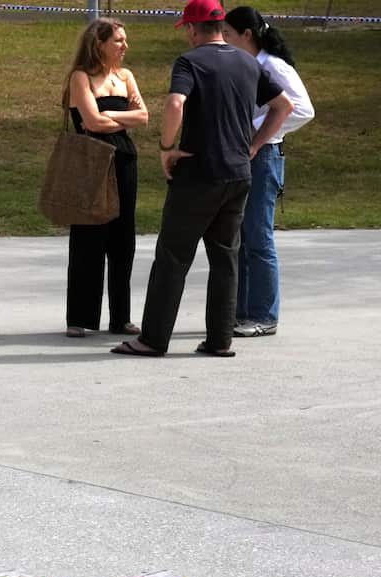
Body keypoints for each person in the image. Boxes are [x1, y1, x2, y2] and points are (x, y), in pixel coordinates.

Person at [111, 0, 292, 358]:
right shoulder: (247, 62)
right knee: (226, 257)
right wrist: (254, 146)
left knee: (173, 256)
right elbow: (283, 105)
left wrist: (166, 147)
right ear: (222, 28)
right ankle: (220, 340)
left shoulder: (190, 61)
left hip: (199, 173)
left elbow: (176, 103)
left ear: (193, 29)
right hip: (238, 174)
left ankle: (153, 339)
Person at [224, 6, 315, 338]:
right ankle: (242, 311)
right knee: (243, 237)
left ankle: (264, 314)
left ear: (247, 35)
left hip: (264, 157)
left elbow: (303, 109)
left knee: (259, 238)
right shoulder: (246, 64)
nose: (224, 40)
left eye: (229, 34)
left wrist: (255, 131)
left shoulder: (273, 66)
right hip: (245, 157)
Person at [61, 18, 149, 338]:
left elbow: (144, 116)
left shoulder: (125, 76)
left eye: (125, 40)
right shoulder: (80, 78)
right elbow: (92, 123)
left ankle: (121, 318)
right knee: (89, 237)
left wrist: (110, 116)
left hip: (124, 160)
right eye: (118, 41)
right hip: (91, 162)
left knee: (123, 239)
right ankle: (79, 317)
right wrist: (116, 120)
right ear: (98, 44)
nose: (124, 46)